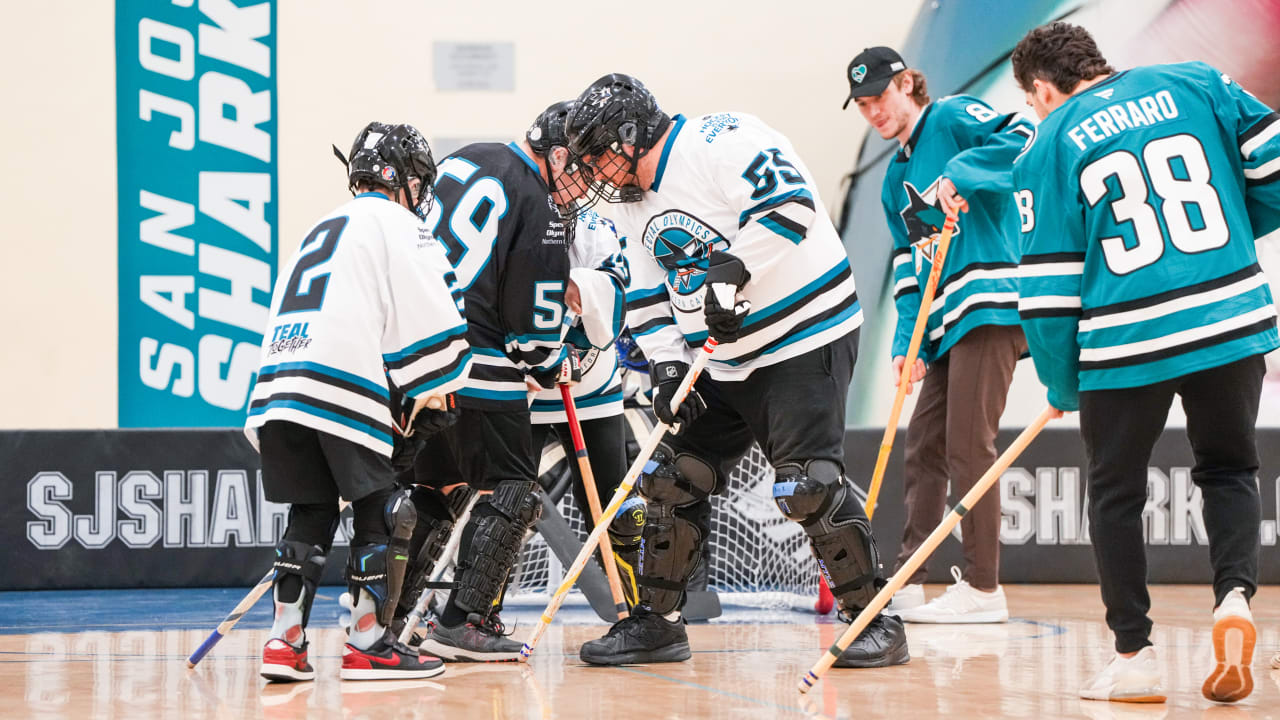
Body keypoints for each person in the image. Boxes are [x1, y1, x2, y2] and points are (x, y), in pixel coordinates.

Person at [564, 73, 909, 667]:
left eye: (598, 152)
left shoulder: (721, 140)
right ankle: (660, 624)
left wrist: (732, 271)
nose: (594, 170)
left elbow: (792, 205)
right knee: (672, 480)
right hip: (718, 359)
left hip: (802, 339)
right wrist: (669, 365)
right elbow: (647, 295)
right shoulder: (626, 203)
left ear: (630, 133)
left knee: (806, 485)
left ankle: (875, 619)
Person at [1010, 21, 1280, 704]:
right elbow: (1274, 173)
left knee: (1115, 492)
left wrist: (1061, 382)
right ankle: (1234, 604)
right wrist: (1229, 236)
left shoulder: (1048, 141)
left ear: (1043, 90)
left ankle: (1135, 655)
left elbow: (1046, 291)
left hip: (1127, 340)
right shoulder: (1197, 81)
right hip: (1230, 316)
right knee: (1230, 469)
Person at [246, 122, 472, 681]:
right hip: (341, 382)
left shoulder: (320, 225)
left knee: (311, 511)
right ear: (405, 181)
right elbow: (438, 328)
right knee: (383, 510)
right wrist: (435, 391)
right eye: (419, 182)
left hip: (278, 386)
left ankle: (284, 642)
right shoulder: (399, 223)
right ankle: (368, 642)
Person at [845, 47, 1033, 623]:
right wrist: (908, 343)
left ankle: (983, 589)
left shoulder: (950, 119)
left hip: (991, 307)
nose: (873, 111)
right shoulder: (894, 179)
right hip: (947, 319)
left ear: (908, 84)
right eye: (862, 104)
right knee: (923, 447)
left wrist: (961, 174)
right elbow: (912, 270)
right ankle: (907, 577)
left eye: (880, 96)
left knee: (967, 445)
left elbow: (1024, 137)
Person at [406, 101, 592, 662]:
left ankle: (386, 616)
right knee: (511, 485)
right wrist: (546, 362)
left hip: (421, 362)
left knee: (434, 487)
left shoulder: (467, 157)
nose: (586, 183)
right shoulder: (541, 203)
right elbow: (531, 317)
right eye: (581, 167)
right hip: (482, 364)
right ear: (557, 155)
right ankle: (466, 621)